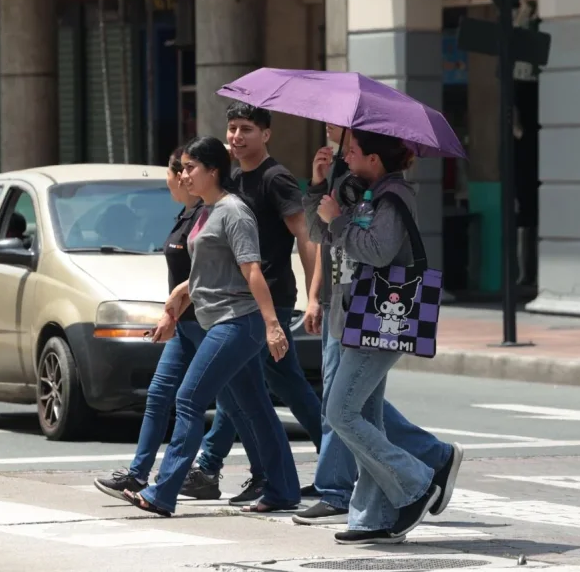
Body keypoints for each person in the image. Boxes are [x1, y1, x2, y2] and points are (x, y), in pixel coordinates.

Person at [120, 135, 301, 516]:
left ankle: (162, 493)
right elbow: (207, 271)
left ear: (213, 171)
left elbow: (251, 270)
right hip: (218, 318)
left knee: (188, 398)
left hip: (237, 322)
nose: (183, 175)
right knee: (255, 407)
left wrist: (272, 325)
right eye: (182, 168)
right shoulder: (206, 210)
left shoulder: (234, 211)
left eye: (190, 168)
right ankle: (284, 489)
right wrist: (179, 296)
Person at [303, 128, 462, 544]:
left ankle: (416, 482)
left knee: (341, 413)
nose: (347, 152)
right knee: (367, 416)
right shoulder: (361, 190)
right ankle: (373, 518)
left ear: (374, 159)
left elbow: (376, 251)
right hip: (353, 316)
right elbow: (321, 236)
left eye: (354, 148)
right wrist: (319, 188)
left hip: (379, 317)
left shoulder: (393, 197)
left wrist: (336, 218)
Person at [180, 103, 324, 507]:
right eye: (231, 129)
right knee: (244, 390)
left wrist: (314, 296)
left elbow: (306, 236)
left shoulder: (275, 178)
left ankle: (335, 470)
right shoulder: (237, 177)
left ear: (267, 134)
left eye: (246, 129)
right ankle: (248, 472)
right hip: (242, 302)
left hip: (270, 300)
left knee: (284, 387)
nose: (237, 137)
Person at [94, 147, 211, 500]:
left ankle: (260, 473)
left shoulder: (207, 216)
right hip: (184, 326)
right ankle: (138, 473)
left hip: (208, 323)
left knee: (239, 405)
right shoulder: (185, 214)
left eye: (180, 172)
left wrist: (174, 305)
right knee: (160, 395)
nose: (174, 181)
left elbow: (212, 269)